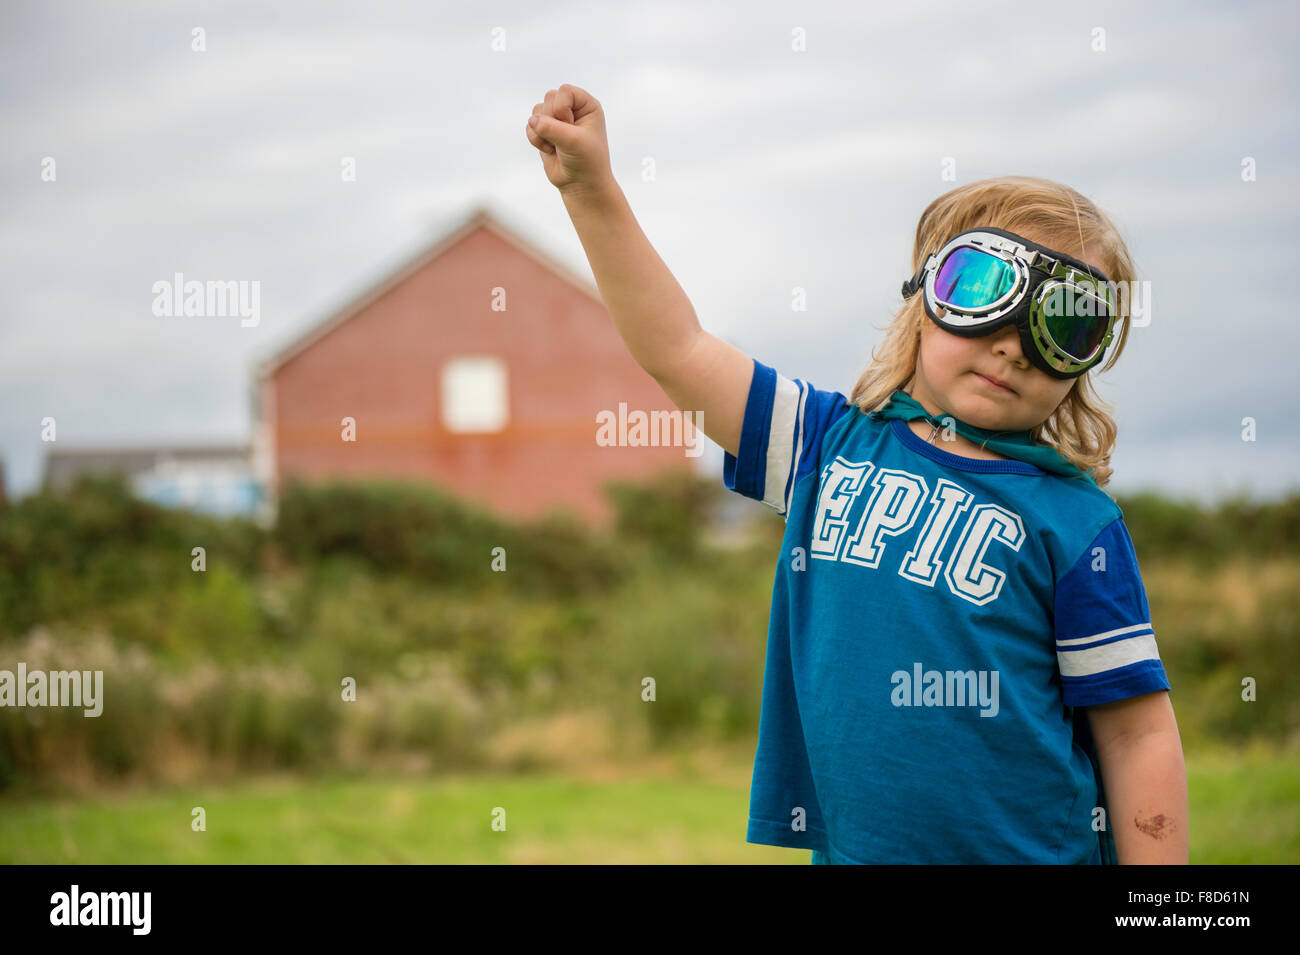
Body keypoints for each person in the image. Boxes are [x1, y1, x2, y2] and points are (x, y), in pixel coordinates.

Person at [526, 84, 1189, 864]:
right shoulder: (822, 445)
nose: (1013, 344)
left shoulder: (1078, 524)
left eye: (1064, 324)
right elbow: (677, 350)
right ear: (922, 302)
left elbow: (1139, 731)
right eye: (980, 291)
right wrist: (592, 191)